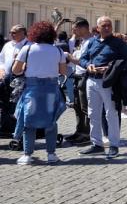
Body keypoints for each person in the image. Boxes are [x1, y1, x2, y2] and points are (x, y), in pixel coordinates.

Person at [12, 21, 67, 165]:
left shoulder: (27, 49)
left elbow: (15, 71)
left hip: (33, 89)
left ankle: (27, 155)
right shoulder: (58, 51)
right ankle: (51, 154)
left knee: (28, 122)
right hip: (51, 88)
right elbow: (63, 72)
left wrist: (25, 66)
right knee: (51, 121)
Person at [78, 16, 127, 159]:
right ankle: (96, 144)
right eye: (104, 25)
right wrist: (87, 65)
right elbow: (83, 59)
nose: (107, 27)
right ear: (98, 28)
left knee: (111, 113)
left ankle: (114, 144)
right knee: (93, 113)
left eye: (109, 25)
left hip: (109, 82)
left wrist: (111, 67)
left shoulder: (119, 43)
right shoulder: (92, 42)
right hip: (91, 80)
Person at [65, 19, 96, 144]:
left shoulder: (92, 42)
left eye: (74, 29)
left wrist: (70, 58)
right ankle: (79, 131)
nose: (73, 31)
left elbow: (87, 62)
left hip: (85, 76)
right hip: (77, 75)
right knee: (77, 106)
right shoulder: (83, 41)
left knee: (85, 106)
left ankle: (88, 134)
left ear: (83, 28)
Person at [0, 25, 29, 135]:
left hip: (21, 79)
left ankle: (16, 128)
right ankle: (5, 126)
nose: (11, 34)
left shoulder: (29, 46)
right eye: (10, 32)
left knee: (16, 104)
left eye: (14, 32)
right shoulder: (7, 45)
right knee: (4, 103)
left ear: (23, 33)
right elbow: (1, 60)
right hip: (6, 78)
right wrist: (1, 70)